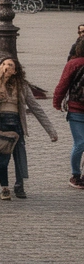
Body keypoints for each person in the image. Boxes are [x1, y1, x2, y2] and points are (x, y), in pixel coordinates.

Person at [0, 57, 56, 200]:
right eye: (3, 64)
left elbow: (35, 107)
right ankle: (4, 186)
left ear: (15, 71)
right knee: (3, 155)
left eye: (10, 65)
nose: (6, 67)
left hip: (16, 122)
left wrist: (51, 131)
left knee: (19, 154)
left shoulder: (21, 86)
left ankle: (19, 184)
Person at [54, 37, 84, 189]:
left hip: (75, 108)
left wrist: (57, 102)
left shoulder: (72, 64)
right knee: (80, 143)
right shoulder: (74, 64)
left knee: (80, 143)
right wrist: (57, 101)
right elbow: (63, 84)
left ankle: (77, 175)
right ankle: (77, 174)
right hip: (77, 109)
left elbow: (63, 84)